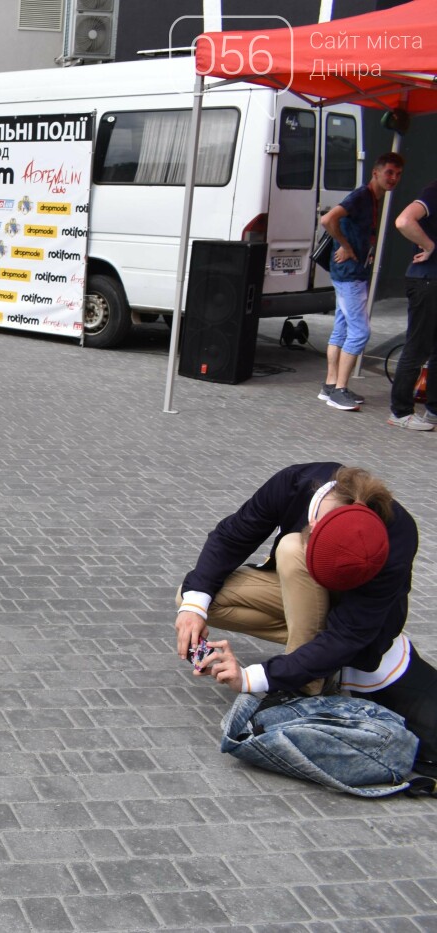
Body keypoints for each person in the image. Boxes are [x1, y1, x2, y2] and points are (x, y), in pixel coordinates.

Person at [175, 463, 435, 769]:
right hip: (312, 599)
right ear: (312, 523)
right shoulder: (293, 483)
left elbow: (350, 633)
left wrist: (253, 678)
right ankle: (314, 659)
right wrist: (193, 608)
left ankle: (306, 685)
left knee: (292, 554)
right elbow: (232, 536)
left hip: (360, 621)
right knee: (197, 594)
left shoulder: (398, 534)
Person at [317, 152, 404, 410]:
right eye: (389, 173)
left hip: (351, 272)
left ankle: (331, 386)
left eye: (398, 175)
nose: (394, 179)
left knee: (342, 328)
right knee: (360, 331)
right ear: (375, 172)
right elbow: (327, 219)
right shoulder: (360, 196)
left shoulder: (372, 199)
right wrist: (344, 245)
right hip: (349, 274)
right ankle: (339, 390)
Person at [386, 175, 437, 431]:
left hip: (430, 280)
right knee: (417, 346)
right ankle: (401, 411)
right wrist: (429, 246)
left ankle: (433, 411)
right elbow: (403, 220)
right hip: (426, 281)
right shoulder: (434, 190)